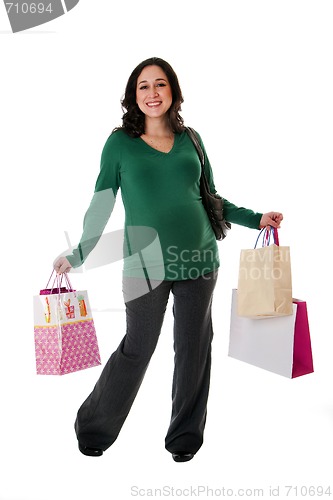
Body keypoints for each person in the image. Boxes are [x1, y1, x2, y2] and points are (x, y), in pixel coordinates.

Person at [54, 57, 283, 462]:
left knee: (194, 349)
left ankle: (184, 440)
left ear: (173, 92)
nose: (152, 93)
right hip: (144, 266)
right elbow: (102, 201)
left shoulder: (191, 138)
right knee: (137, 347)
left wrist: (256, 219)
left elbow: (211, 197)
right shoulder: (119, 144)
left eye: (160, 84)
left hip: (199, 261)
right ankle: (94, 428)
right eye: (144, 86)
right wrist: (79, 253)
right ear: (133, 95)